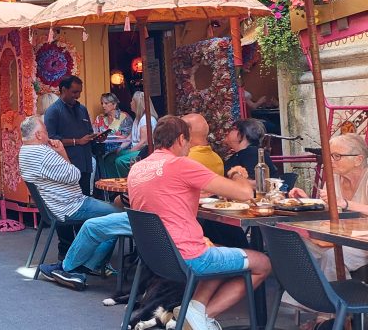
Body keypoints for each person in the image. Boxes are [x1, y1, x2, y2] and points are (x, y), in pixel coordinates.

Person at [51, 114, 229, 291]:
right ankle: (81, 268)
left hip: (157, 222)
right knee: (106, 217)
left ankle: (69, 269)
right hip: (167, 220)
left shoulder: (181, 162)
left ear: (184, 135)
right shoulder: (214, 158)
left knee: (102, 219)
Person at [129, 116, 271, 330]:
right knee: (262, 263)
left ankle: (194, 313)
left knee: (218, 251)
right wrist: (237, 173)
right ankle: (199, 318)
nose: (190, 147)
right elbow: (244, 193)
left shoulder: (138, 168)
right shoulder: (181, 164)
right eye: (188, 142)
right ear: (180, 140)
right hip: (188, 257)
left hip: (155, 257)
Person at [19, 115, 121, 285]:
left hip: (54, 206)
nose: (48, 134)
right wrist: (62, 152)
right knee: (118, 217)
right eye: (45, 131)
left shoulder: (23, 152)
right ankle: (85, 266)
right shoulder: (43, 153)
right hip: (70, 205)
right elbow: (75, 175)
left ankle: (81, 263)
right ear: (38, 135)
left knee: (107, 218)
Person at [289, 134, 368, 281]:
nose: (330, 160)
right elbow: (329, 209)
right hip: (338, 236)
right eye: (329, 155)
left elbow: (341, 203)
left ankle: (337, 299)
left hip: (362, 242)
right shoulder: (334, 179)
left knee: (332, 256)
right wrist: (307, 201)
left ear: (358, 159)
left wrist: (345, 203)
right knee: (298, 245)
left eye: (337, 156)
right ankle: (303, 296)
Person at [43, 75, 97, 195]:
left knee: (85, 198)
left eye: (79, 92)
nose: (78, 96)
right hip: (67, 166)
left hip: (85, 164)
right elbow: (51, 140)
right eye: (74, 92)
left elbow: (89, 132)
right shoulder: (53, 111)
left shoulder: (82, 109)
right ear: (63, 90)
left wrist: (96, 138)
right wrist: (76, 141)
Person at [112, 91, 158, 178]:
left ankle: (127, 182)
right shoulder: (137, 119)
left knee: (120, 161)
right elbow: (130, 137)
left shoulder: (146, 119)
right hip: (136, 149)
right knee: (111, 157)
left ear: (138, 104)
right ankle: (112, 184)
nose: (130, 103)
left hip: (144, 151)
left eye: (132, 101)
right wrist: (120, 148)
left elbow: (143, 143)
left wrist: (130, 151)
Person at [224, 118, 281, 184]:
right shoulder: (241, 154)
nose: (227, 132)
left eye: (233, 129)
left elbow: (258, 184)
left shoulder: (252, 153)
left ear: (243, 134)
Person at [95, 93, 134, 179]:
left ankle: (114, 187)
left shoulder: (124, 117)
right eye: (102, 103)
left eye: (106, 103)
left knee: (109, 159)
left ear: (114, 104)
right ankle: (105, 189)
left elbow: (127, 137)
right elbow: (95, 134)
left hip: (120, 149)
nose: (103, 106)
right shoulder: (100, 118)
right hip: (103, 150)